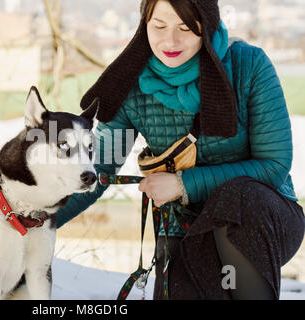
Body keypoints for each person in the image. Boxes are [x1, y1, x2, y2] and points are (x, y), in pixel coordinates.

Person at [55, 0, 305, 300]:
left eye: (185, 28)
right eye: (158, 26)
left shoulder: (247, 66)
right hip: (184, 227)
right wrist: (33, 219)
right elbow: (99, 168)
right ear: (143, 24)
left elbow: (274, 164)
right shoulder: (131, 83)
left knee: (236, 200)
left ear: (206, 25)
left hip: (259, 218)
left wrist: (181, 184)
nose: (170, 40)